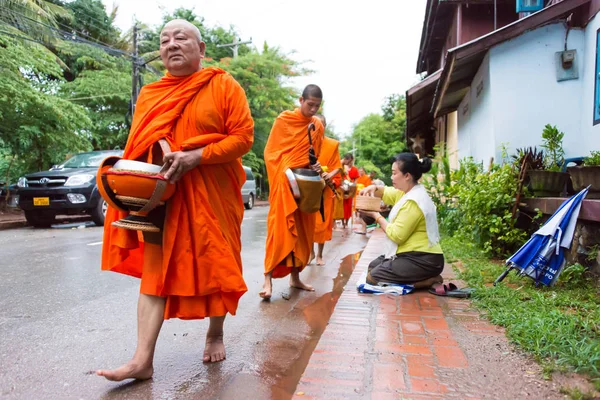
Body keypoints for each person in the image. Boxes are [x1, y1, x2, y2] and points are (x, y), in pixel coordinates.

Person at [97, 19, 254, 381]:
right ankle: (142, 361)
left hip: (213, 194)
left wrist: (196, 156)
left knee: (218, 263)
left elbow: (243, 138)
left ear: (201, 49)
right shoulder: (152, 94)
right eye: (164, 40)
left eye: (181, 38)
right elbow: (136, 147)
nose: (171, 45)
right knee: (155, 273)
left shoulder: (223, 85)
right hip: (163, 196)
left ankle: (215, 333)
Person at [261, 84, 324, 299]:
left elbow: (315, 156)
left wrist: (317, 166)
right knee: (279, 231)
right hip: (284, 182)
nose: (313, 110)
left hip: (305, 185)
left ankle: (295, 278)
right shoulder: (284, 121)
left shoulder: (317, 126)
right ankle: (267, 279)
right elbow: (270, 154)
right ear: (301, 100)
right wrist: (285, 168)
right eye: (310, 104)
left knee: (303, 234)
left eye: (317, 106)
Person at [358, 153, 444, 287]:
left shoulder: (414, 201)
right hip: (407, 255)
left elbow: (397, 236)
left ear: (407, 176)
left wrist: (376, 216)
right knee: (372, 267)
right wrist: (373, 188)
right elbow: (387, 192)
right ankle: (417, 278)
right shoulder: (406, 192)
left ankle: (427, 281)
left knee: (373, 278)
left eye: (394, 173)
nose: (392, 177)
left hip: (424, 259)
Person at [310, 114, 342, 266]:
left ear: (324, 126)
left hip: (325, 188)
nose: (317, 127)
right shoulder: (306, 142)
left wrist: (328, 174)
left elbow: (338, 167)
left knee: (322, 222)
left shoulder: (331, 144)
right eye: (314, 124)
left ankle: (319, 255)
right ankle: (310, 253)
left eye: (320, 124)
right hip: (309, 186)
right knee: (309, 222)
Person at [340, 153, 359, 229]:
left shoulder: (355, 169)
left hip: (350, 189)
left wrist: (353, 186)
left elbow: (356, 179)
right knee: (342, 206)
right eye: (349, 161)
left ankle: (347, 222)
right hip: (342, 187)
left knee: (348, 207)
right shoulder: (343, 167)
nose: (350, 163)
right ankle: (342, 222)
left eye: (351, 162)